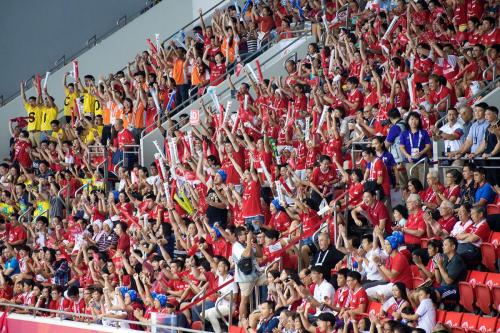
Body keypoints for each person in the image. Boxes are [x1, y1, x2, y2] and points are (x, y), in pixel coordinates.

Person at [232, 227, 262, 320]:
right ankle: (242, 321)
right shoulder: (236, 246)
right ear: (239, 236)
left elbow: (260, 255)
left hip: (256, 274)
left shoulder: (246, 244)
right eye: (244, 234)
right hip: (245, 278)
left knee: (271, 278)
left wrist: (255, 242)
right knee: (244, 301)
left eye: (246, 233)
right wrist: (249, 240)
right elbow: (246, 254)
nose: (246, 235)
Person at [399, 112, 432, 186]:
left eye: (416, 119)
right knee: (413, 184)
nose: (413, 121)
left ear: (419, 121)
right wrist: (407, 155)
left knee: (423, 183)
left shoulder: (424, 132)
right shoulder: (404, 133)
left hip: (422, 161)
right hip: (410, 161)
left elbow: (428, 146)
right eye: (411, 119)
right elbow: (401, 147)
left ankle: (424, 197)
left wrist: (421, 153)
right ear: (408, 121)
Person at [433, 237, 467, 303]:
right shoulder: (445, 259)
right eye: (443, 245)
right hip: (443, 288)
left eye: (445, 245)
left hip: (453, 290)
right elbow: (438, 280)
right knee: (424, 291)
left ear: (453, 247)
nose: (443, 247)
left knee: (432, 295)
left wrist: (440, 265)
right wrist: (436, 267)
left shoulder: (457, 260)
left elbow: (448, 281)